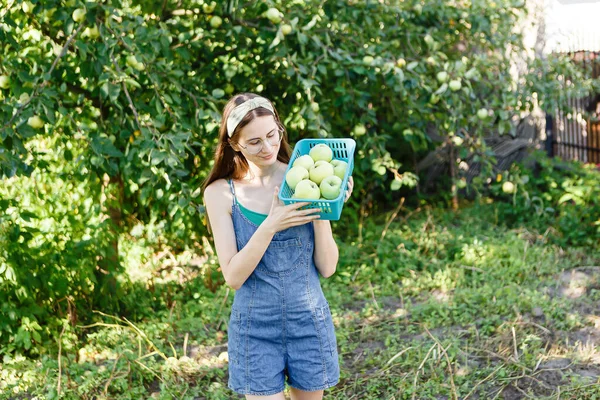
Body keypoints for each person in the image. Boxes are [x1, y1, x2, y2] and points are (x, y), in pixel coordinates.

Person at [202, 93, 354, 400]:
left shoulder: (304, 178)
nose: (268, 147)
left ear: (280, 130)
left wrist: (324, 209)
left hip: (308, 322)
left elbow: (327, 268)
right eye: (254, 141)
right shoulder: (221, 194)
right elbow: (233, 277)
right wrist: (270, 225)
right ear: (234, 144)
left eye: (272, 135)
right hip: (255, 330)